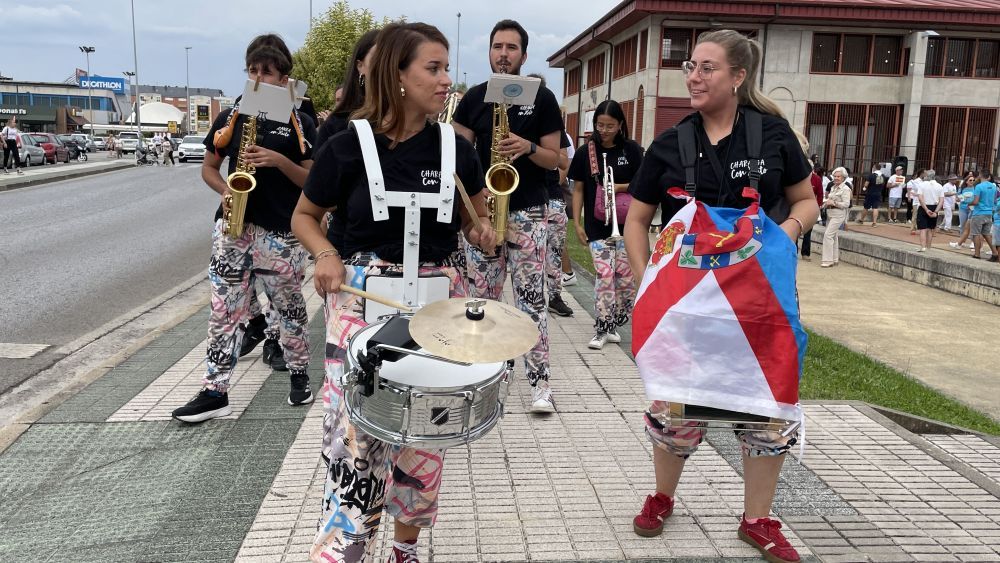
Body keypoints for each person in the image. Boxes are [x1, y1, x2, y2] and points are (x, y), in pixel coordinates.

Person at [291, 22, 495, 563]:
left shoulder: (457, 150)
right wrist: (325, 254)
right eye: (434, 68)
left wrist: (483, 232)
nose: (447, 80)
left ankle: (405, 549)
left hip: (437, 304)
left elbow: (475, 218)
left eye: (447, 68)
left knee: (426, 433)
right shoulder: (345, 146)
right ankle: (346, 547)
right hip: (361, 303)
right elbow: (305, 217)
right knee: (354, 435)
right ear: (398, 76)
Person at [624, 30, 817, 563]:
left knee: (765, 409)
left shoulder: (773, 135)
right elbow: (636, 220)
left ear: (738, 77)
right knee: (676, 405)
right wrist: (646, 282)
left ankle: (757, 520)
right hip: (687, 308)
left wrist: (784, 237)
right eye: (690, 66)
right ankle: (662, 497)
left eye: (706, 67)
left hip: (761, 304)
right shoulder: (669, 144)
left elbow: (805, 201)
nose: (693, 76)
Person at [170, 34, 317, 423]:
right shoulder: (230, 117)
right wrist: (224, 191)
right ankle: (215, 390)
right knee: (223, 310)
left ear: (284, 78)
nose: (257, 79)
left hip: (281, 234)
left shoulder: (301, 122)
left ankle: (299, 376)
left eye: (266, 72)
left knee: (289, 310)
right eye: (252, 71)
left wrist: (278, 161)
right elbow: (209, 167)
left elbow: (314, 181)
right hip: (234, 230)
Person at [451, 19, 563, 413]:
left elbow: (555, 159)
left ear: (524, 55)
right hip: (484, 214)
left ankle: (540, 385)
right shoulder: (474, 98)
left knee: (532, 301)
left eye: (511, 47)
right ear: (489, 52)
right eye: (497, 46)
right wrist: (473, 197)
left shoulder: (542, 98)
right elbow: (457, 154)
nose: (503, 54)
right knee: (482, 303)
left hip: (529, 211)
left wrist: (527, 146)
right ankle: (485, 381)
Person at [569, 100, 642, 349]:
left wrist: (618, 187)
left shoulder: (631, 150)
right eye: (600, 125)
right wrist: (577, 223)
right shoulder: (585, 152)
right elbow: (578, 189)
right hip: (597, 226)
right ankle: (601, 327)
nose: (604, 130)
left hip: (628, 226)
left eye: (610, 126)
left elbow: (643, 183)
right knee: (604, 275)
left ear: (620, 124)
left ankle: (613, 323)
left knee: (625, 280)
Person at [821, 167, 852, 267]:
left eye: (838, 176)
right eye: (835, 176)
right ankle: (834, 259)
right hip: (830, 213)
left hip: (838, 214)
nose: (836, 178)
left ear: (843, 178)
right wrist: (825, 203)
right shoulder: (833, 187)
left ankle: (827, 260)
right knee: (833, 235)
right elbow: (829, 199)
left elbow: (846, 204)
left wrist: (834, 203)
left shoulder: (845, 189)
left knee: (828, 235)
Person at [967, 170, 997, 260]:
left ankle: (977, 254)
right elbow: (995, 200)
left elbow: (976, 201)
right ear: (988, 177)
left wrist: (968, 203)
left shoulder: (979, 186)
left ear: (980, 175)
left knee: (975, 234)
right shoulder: (993, 186)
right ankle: (995, 252)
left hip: (979, 213)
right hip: (989, 213)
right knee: (986, 234)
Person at [915, 169, 943, 252]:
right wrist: (936, 212)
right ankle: (928, 247)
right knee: (930, 228)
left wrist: (926, 209)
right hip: (934, 207)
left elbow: (920, 198)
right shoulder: (939, 186)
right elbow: (941, 201)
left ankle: (923, 247)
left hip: (924, 207)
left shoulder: (922, 185)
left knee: (923, 228)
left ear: (927, 176)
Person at [800, 161, 824, 261]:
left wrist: (817, 207)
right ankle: (793, 251)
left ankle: (805, 253)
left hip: (810, 208)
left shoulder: (816, 179)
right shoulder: (798, 177)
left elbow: (820, 194)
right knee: (795, 230)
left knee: (808, 232)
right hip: (797, 207)